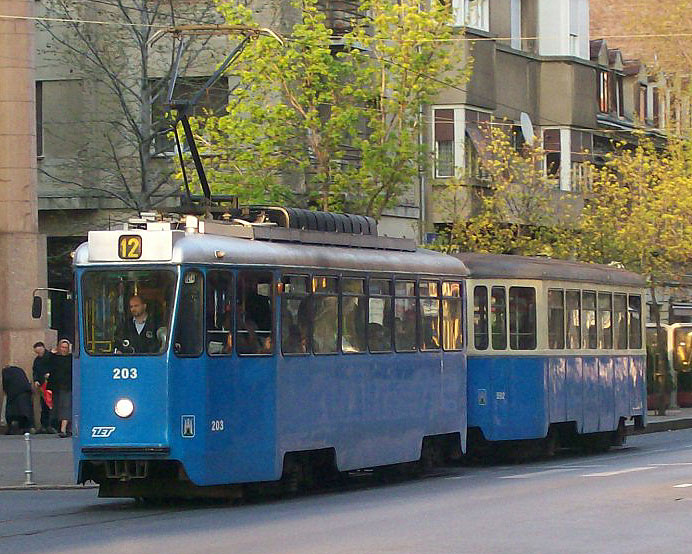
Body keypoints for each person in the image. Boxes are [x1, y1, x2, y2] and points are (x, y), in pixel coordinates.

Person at [48, 339, 72, 438]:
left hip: (67, 386)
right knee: (57, 407)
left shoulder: (71, 358)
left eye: (66, 348)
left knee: (66, 406)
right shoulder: (54, 358)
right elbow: (47, 364)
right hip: (56, 386)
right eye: (62, 347)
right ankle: (64, 428)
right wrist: (51, 353)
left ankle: (63, 429)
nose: (64, 349)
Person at [2, 365, 34, 435]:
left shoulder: (6, 372)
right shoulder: (18, 370)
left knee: (12, 411)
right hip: (25, 391)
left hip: (14, 394)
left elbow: (6, 384)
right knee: (25, 411)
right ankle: (27, 428)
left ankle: (12, 428)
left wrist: (7, 392)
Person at [32, 341, 55, 433]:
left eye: (39, 352)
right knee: (44, 405)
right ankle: (44, 425)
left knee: (51, 404)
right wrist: (36, 380)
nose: (39, 354)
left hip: (51, 384)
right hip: (42, 384)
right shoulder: (37, 360)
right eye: (37, 353)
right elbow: (35, 371)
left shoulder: (51, 357)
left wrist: (50, 374)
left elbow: (55, 368)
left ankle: (51, 424)